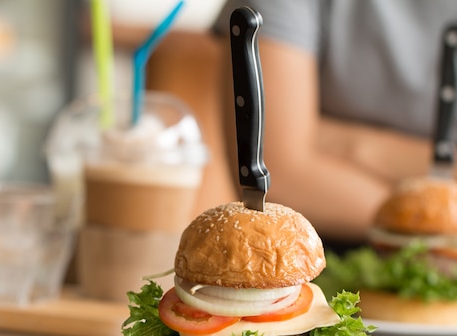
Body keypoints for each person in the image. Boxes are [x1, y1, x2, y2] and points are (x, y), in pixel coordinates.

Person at [146, 0, 457, 251]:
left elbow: (284, 144)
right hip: (312, 254)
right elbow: (281, 170)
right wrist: (437, 216)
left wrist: (344, 144)